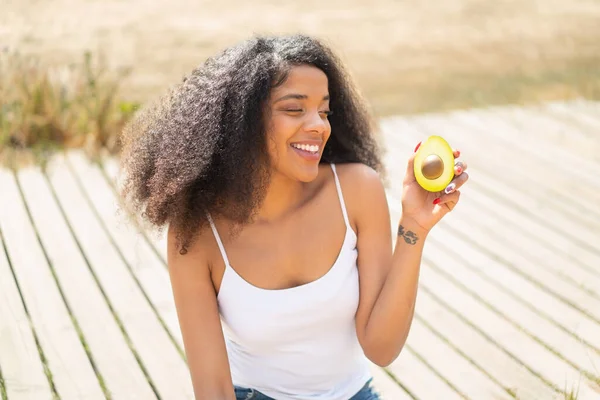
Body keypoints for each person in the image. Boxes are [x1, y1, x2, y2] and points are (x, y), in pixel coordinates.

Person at [117, 34, 468, 400]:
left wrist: (414, 227)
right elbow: (213, 388)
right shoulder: (197, 233)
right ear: (244, 122)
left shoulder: (357, 190)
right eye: (294, 109)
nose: (319, 125)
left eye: (324, 110)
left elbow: (381, 347)